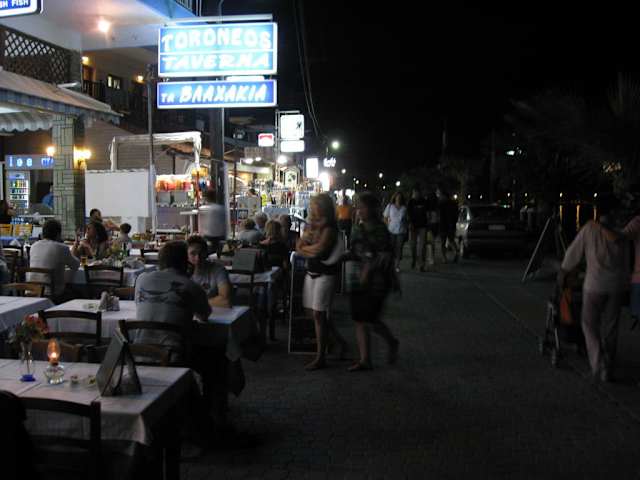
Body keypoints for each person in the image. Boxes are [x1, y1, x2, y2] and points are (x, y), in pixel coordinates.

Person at [558, 195, 630, 382]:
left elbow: (573, 254)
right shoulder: (621, 233)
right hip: (616, 286)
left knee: (589, 324)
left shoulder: (590, 228)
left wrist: (564, 271)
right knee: (611, 328)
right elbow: (626, 262)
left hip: (594, 285)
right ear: (614, 212)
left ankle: (598, 363)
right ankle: (608, 367)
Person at [296, 193, 349, 370]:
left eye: (315, 205)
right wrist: (309, 249)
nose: (312, 208)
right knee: (312, 312)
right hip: (312, 271)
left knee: (319, 314)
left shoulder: (330, 228)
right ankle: (337, 342)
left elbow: (318, 249)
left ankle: (321, 356)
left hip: (325, 274)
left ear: (323, 207)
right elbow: (299, 245)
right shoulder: (311, 224)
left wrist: (306, 249)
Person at [348, 192, 399, 371]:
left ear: (372, 209)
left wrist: (369, 269)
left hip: (377, 282)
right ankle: (365, 360)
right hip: (357, 278)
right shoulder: (357, 228)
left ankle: (391, 341)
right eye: (358, 207)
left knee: (371, 319)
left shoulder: (380, 230)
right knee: (359, 319)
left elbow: (385, 256)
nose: (359, 210)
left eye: (363, 207)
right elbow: (354, 251)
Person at [135, 241, 211, 358]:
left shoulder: (142, 279)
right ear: (185, 262)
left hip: (139, 352)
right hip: (174, 354)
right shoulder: (191, 286)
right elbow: (204, 316)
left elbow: (138, 304)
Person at [28, 219, 80, 298]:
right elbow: (76, 265)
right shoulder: (62, 248)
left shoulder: (33, 246)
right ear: (58, 234)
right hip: (52, 294)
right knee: (78, 294)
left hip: (32, 292)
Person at [187, 235, 232, 308]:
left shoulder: (218, 269)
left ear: (206, 253)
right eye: (193, 253)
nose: (198, 258)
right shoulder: (180, 271)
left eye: (201, 253)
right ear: (186, 255)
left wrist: (193, 303)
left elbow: (225, 301)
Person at [383, 191, 408, 273]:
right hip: (391, 230)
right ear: (395, 198)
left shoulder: (404, 208)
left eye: (400, 198)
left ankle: (397, 266)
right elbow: (385, 217)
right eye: (397, 197)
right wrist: (387, 225)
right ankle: (391, 265)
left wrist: (406, 228)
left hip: (401, 231)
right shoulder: (390, 206)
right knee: (391, 248)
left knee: (399, 248)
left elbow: (406, 219)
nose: (398, 199)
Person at [407, 186, 429, 271]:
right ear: (413, 193)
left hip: (423, 226)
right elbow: (408, 214)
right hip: (413, 226)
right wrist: (410, 223)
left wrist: (428, 223)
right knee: (413, 245)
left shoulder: (424, 201)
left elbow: (427, 213)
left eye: (417, 193)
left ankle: (421, 264)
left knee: (422, 246)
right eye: (414, 193)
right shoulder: (410, 202)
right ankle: (414, 258)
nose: (416, 194)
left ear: (420, 193)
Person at [198, 189, 226, 256]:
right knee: (219, 254)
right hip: (220, 235)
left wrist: (200, 233)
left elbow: (200, 224)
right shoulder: (220, 208)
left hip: (207, 235)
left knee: (208, 253)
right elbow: (224, 223)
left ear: (206, 198)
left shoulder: (202, 209)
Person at [437, 188, 459, 263]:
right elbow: (456, 214)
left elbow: (440, 215)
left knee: (444, 242)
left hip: (444, 224)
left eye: (440, 195)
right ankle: (455, 252)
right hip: (449, 224)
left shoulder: (441, 204)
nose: (440, 197)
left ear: (444, 196)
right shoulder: (452, 203)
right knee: (451, 240)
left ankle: (445, 257)